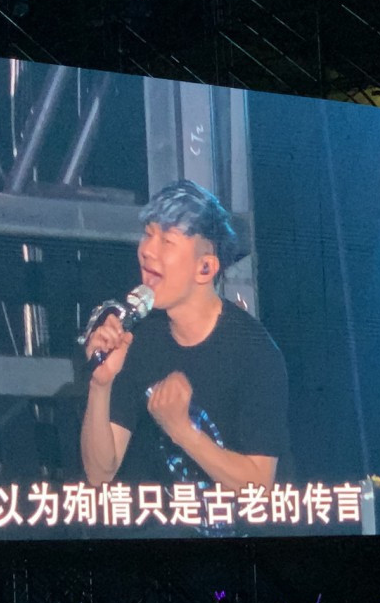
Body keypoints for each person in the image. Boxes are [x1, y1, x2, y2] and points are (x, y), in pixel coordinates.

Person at [80, 179, 288, 491]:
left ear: (205, 268)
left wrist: (183, 431)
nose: (147, 250)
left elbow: (259, 486)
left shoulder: (253, 352)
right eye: (148, 234)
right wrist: (101, 385)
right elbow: (100, 474)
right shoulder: (139, 339)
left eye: (166, 241)